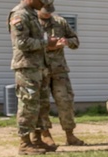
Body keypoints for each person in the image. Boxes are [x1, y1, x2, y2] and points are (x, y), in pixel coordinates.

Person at [8, 0, 57, 156]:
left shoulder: (31, 14)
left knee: (41, 104)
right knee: (28, 104)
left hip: (39, 67)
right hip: (27, 68)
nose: (43, 4)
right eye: (41, 0)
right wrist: (46, 42)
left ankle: (37, 139)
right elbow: (21, 43)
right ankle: (24, 143)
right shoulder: (19, 14)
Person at [36, 8, 86, 148]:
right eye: (44, 9)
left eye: (49, 10)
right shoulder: (32, 22)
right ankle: (46, 135)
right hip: (40, 70)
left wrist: (66, 42)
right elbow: (26, 44)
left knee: (66, 101)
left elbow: (75, 41)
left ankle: (70, 135)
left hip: (59, 70)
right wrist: (49, 46)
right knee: (42, 103)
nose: (47, 13)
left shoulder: (60, 22)